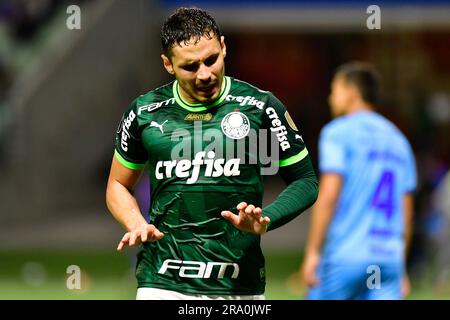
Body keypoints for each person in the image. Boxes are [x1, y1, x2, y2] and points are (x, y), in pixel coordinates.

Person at [106, 7, 318, 300]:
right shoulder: (143, 113)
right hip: (163, 282)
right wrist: (136, 224)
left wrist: (266, 220)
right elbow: (118, 185)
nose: (205, 74)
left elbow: (306, 181)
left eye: (211, 60)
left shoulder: (260, 107)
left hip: (238, 286)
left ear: (223, 46)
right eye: (190, 67)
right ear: (168, 64)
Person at [300, 62, 417, 300]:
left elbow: (330, 196)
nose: (330, 99)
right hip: (388, 259)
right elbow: (406, 211)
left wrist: (313, 252)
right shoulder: (399, 140)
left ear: (351, 94)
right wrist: (400, 265)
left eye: (334, 91)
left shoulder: (338, 132)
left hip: (347, 255)